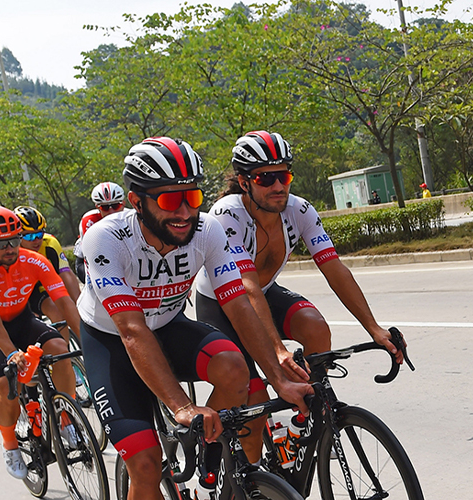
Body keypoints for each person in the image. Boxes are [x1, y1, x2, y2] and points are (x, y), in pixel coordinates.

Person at [77, 136, 312, 499]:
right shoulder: (106, 238)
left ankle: (205, 451)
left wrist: (279, 379)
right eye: (171, 200)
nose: (185, 212)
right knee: (145, 466)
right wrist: (182, 407)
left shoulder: (207, 230)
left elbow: (239, 306)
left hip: (167, 325)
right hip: (111, 342)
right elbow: (132, 331)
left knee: (234, 367)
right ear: (137, 202)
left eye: (192, 197)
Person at [194, 130, 402, 463]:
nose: (278, 185)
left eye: (284, 175)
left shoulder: (299, 210)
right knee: (254, 399)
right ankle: (247, 475)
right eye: (266, 178)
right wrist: (277, 350)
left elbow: (335, 269)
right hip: (223, 304)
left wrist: (374, 328)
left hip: (263, 294)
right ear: (244, 182)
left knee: (315, 327)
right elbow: (247, 287)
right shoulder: (227, 215)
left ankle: (303, 424)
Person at [0, 207, 80, 480]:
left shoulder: (35, 260)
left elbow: (64, 302)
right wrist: (11, 353)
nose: (10, 248)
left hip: (23, 320)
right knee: (8, 388)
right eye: (1, 243)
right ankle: (10, 445)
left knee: (61, 351)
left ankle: (65, 418)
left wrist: (88, 340)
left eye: (14, 240)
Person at [14, 207, 81, 330]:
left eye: (39, 234)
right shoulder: (10, 251)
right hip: (16, 292)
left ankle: (68, 342)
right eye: (29, 236)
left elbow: (65, 273)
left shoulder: (49, 243)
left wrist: (80, 304)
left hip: (40, 288)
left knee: (60, 311)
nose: (36, 240)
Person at [73, 181, 126, 283]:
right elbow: (92, 254)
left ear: (123, 204)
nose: (111, 211)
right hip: (88, 260)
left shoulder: (131, 217)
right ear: (97, 207)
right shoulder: (89, 220)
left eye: (115, 206)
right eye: (105, 207)